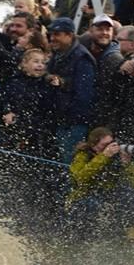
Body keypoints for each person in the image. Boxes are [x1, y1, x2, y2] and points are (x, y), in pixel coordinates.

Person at [65, 127, 134, 237]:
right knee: (92, 205)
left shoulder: (116, 156)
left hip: (108, 194)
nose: (109, 147)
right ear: (94, 146)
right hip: (85, 196)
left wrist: (126, 164)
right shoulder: (83, 155)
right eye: (104, 145)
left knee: (130, 194)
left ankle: (124, 229)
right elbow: (80, 178)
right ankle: (85, 235)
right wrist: (104, 156)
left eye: (111, 143)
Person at [46, 17, 96, 163]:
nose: (52, 38)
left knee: (70, 163)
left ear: (69, 35)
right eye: (51, 34)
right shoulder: (58, 54)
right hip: (59, 120)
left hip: (73, 124)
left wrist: (69, 119)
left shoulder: (82, 58)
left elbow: (84, 95)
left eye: (57, 34)